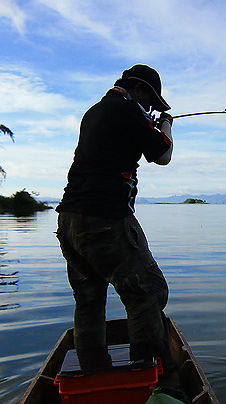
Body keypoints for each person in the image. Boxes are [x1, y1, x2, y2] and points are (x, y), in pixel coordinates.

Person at [55, 64, 175, 369]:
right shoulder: (128, 110)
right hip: (106, 219)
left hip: (70, 221)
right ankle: (151, 374)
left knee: (89, 302)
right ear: (138, 90)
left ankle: (92, 372)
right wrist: (166, 124)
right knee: (148, 292)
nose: (149, 108)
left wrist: (148, 122)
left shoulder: (93, 112)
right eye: (149, 101)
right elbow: (162, 154)